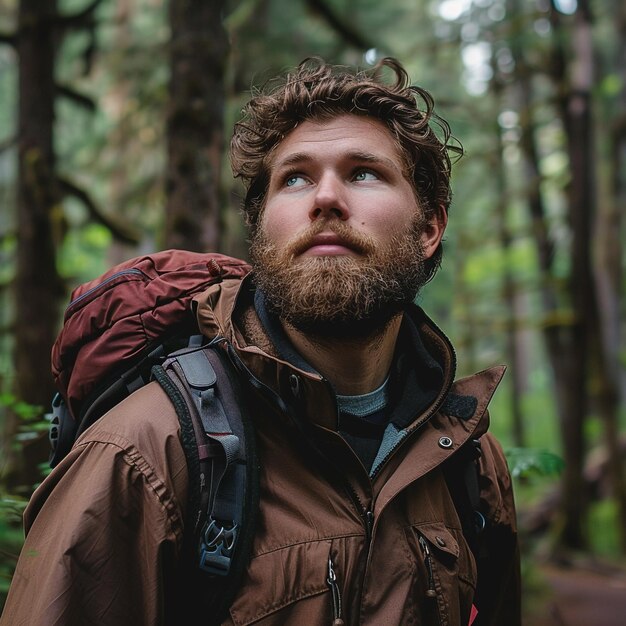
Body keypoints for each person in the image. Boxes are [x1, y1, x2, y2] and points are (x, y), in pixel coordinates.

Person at [1, 57, 520, 626]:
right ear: (261, 229)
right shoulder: (145, 454)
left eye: (364, 172)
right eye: (294, 177)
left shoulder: (468, 460)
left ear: (428, 228)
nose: (324, 198)